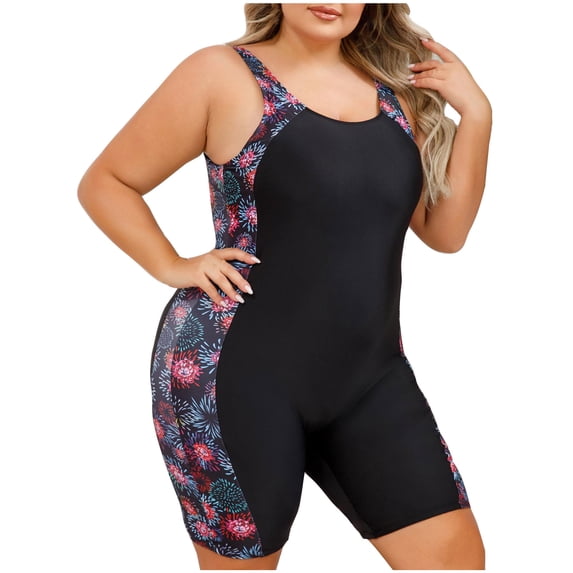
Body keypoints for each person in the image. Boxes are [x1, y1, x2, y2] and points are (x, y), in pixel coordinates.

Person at [77, 3, 491, 570]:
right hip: (235, 377)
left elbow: (445, 234)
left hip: (370, 380)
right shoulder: (221, 73)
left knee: (455, 559)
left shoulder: (396, 93)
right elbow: (108, 181)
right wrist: (172, 264)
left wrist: (477, 115)